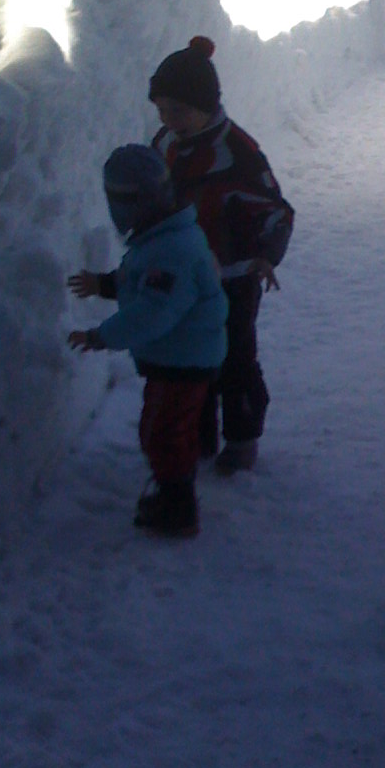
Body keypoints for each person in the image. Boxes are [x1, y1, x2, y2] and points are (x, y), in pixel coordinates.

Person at [147, 37, 294, 474]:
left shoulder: (238, 152)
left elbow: (275, 210)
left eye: (179, 110)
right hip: (185, 275)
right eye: (162, 109)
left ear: (207, 105)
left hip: (232, 276)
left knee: (233, 358)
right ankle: (199, 434)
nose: (169, 120)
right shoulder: (165, 144)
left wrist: (265, 254)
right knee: (191, 356)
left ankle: (242, 437)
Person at [67, 145, 228, 537]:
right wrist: (104, 283)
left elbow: (151, 314)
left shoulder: (170, 251)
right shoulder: (164, 236)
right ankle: (187, 467)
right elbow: (139, 282)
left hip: (183, 360)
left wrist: (100, 336)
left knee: (160, 432)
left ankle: (177, 507)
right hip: (187, 353)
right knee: (177, 424)